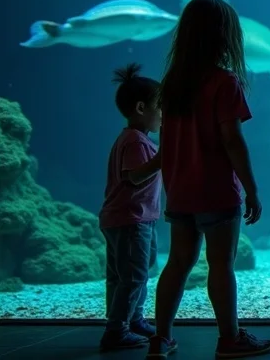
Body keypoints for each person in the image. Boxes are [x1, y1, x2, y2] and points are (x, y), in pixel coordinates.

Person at [145, 0, 270, 359]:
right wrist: (251, 189)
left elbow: (168, 142)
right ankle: (229, 338)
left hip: (180, 193)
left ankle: (161, 338)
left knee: (178, 263)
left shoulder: (172, 84)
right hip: (216, 191)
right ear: (225, 36)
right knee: (221, 264)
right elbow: (232, 140)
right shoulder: (224, 82)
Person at [98, 63, 163, 351]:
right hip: (131, 219)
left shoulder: (133, 139)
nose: (163, 113)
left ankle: (132, 319)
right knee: (134, 275)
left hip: (127, 219)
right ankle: (117, 329)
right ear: (141, 108)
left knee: (125, 274)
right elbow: (134, 177)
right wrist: (163, 158)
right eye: (160, 107)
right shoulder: (136, 142)